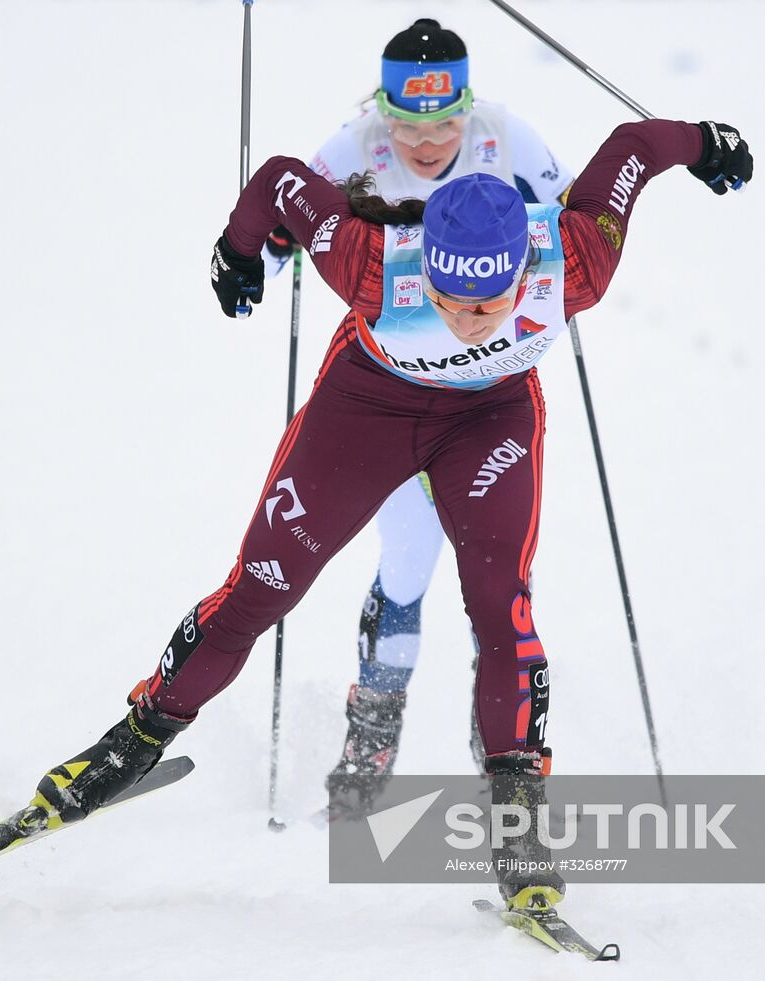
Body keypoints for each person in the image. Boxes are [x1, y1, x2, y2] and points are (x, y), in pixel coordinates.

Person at [32, 116, 752, 911]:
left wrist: (706, 142)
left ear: (526, 268)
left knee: (501, 607)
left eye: (491, 302)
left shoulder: (577, 256)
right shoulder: (370, 262)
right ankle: (134, 740)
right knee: (262, 588)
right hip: (366, 412)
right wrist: (238, 251)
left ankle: (517, 814)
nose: (469, 320)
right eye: (449, 299)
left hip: (489, 419)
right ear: (427, 271)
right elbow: (279, 178)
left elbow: (635, 150)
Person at [261, 18, 576, 803]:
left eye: (445, 122)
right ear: (382, 110)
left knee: (494, 588)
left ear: (469, 106)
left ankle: (501, 753)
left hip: (486, 393)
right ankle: (371, 737)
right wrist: (260, 259)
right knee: (407, 568)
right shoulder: (351, 149)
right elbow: (284, 217)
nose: (427, 142)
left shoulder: (508, 139)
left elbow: (571, 225)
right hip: (391, 398)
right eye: (407, 122)